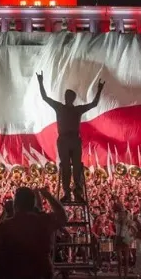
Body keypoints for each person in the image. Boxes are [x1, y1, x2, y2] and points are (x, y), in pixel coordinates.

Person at [36, 71, 105, 202]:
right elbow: (45, 97)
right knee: (66, 167)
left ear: (72, 98)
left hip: (74, 139)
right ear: (65, 97)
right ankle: (67, 193)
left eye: (69, 96)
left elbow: (94, 104)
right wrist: (40, 82)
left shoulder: (76, 109)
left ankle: (78, 192)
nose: (67, 98)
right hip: (63, 140)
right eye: (66, 96)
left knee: (77, 166)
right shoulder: (60, 107)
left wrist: (99, 90)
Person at [112, 203, 133, 279]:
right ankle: (121, 278)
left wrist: (131, 236)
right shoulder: (117, 219)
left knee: (126, 259)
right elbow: (115, 218)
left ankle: (126, 277)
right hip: (118, 239)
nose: (122, 215)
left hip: (125, 239)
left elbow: (133, 228)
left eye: (123, 214)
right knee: (120, 259)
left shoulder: (128, 220)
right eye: (121, 213)